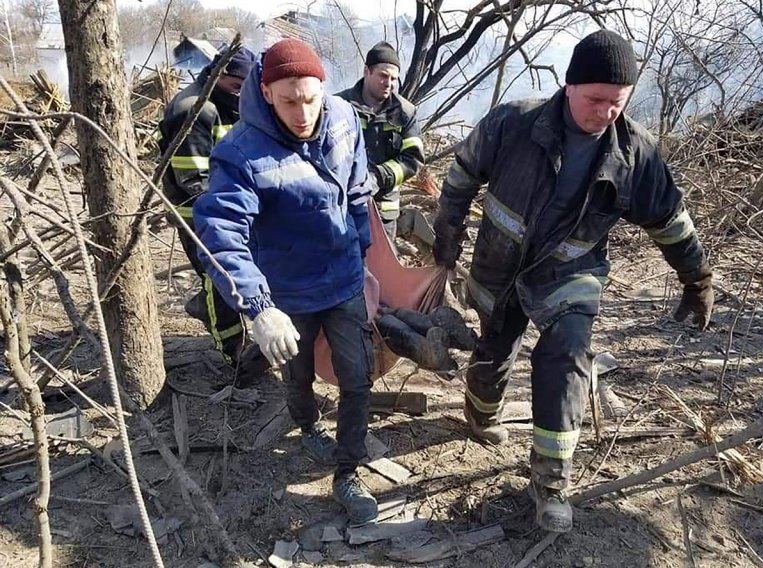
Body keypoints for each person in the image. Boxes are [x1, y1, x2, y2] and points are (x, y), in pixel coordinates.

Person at [431, 30, 714, 533]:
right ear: (569, 87)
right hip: (499, 266)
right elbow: (462, 171)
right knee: (492, 355)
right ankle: (481, 413)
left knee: (566, 355)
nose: (605, 112)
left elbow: (670, 221)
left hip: (570, 274)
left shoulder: (636, 155)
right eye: (595, 99)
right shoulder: (514, 122)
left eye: (616, 102)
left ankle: (550, 480)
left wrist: (696, 279)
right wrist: (449, 228)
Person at [193, 39, 379, 525]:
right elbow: (219, 233)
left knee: (358, 375)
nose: (302, 113)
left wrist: (364, 257)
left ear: (323, 90)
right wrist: (258, 306)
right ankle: (307, 423)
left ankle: (348, 471)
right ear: (266, 91)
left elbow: (357, 191)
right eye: (289, 100)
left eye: (310, 99)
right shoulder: (240, 153)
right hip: (288, 291)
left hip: (342, 278)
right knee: (297, 372)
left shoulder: (343, 117)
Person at [158, 47, 260, 367]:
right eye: (237, 84)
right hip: (198, 211)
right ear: (220, 74)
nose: (243, 91)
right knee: (219, 276)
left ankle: (208, 308)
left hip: (232, 205)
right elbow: (193, 181)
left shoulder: (233, 101)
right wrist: (233, 210)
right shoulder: (195, 110)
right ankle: (232, 351)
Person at [337, 42, 424, 241]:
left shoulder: (406, 113)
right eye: (383, 76)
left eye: (394, 78)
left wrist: (377, 177)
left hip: (384, 212)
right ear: (367, 71)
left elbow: (413, 160)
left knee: (381, 271)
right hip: (342, 208)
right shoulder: (339, 106)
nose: (389, 83)